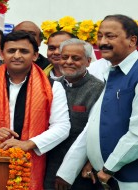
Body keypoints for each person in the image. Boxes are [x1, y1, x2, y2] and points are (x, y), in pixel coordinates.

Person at [0, 31, 70, 190]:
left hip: (30, 159)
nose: (17, 56)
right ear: (2, 54)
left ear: (35, 55)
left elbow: (62, 127)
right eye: (11, 51)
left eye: (24, 51)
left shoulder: (53, 87)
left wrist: (28, 144)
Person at [56, 14, 138, 190]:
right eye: (100, 36)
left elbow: (137, 133)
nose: (102, 42)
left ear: (132, 41)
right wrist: (67, 172)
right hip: (108, 178)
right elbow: (94, 125)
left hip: (128, 179)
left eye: (110, 36)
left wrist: (109, 167)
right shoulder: (112, 72)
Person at [44, 38, 104, 190]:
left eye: (76, 58)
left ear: (88, 61)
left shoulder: (99, 89)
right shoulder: (51, 86)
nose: (68, 62)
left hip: (83, 167)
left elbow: (97, 131)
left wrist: (88, 163)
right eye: (65, 57)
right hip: (50, 162)